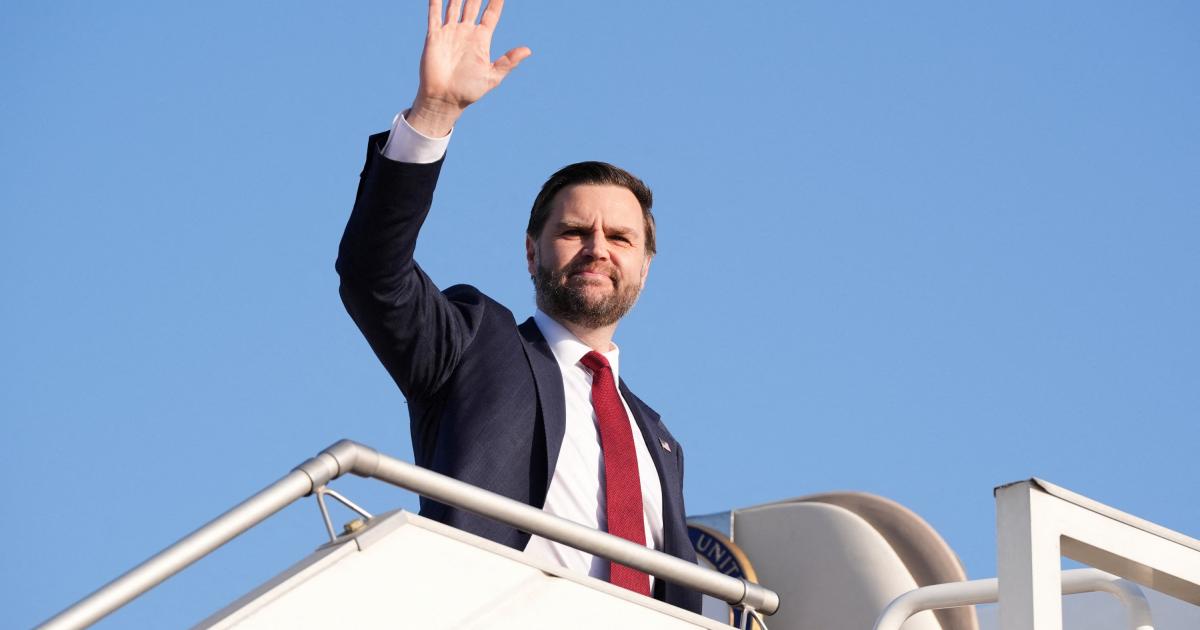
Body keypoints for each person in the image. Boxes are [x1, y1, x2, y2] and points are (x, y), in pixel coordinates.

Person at [336, 0, 700, 613]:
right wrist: (433, 114)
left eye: (620, 238)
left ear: (644, 265)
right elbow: (374, 276)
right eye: (574, 232)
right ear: (531, 253)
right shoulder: (473, 345)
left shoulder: (657, 439)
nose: (597, 249)